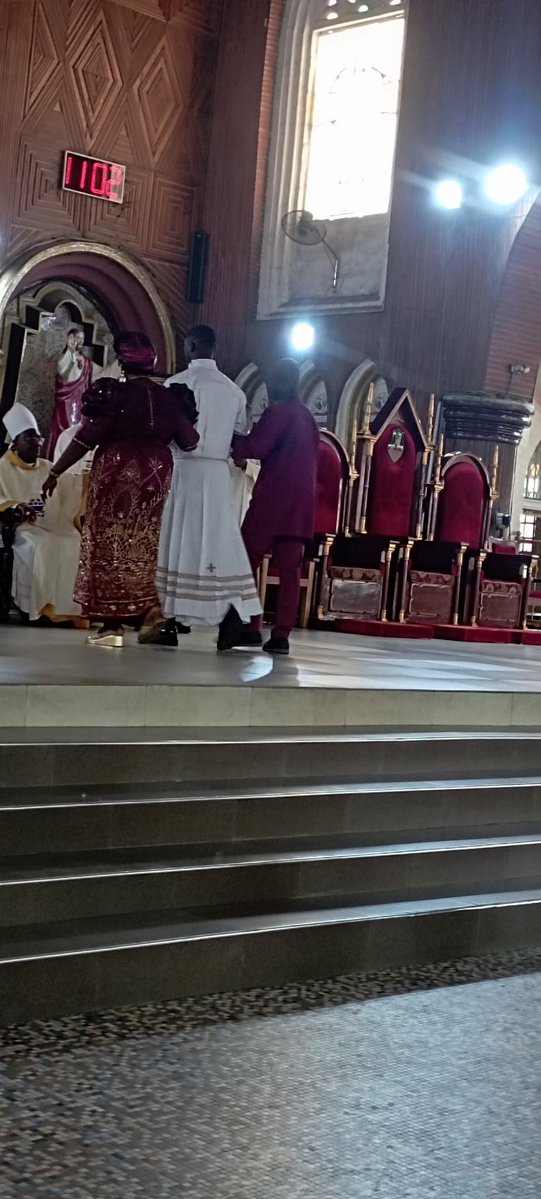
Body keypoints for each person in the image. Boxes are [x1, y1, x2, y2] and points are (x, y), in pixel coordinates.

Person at [42, 332, 199, 648]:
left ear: (124, 362)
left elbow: (87, 437)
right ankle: (150, 613)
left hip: (118, 471)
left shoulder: (116, 394)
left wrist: (56, 470)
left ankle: (112, 625)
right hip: (155, 475)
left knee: (110, 541)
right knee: (142, 543)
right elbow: (190, 442)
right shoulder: (170, 397)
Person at [151, 324, 261, 651]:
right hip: (216, 476)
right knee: (217, 544)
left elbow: (163, 434)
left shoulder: (174, 385)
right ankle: (230, 611)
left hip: (182, 472)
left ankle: (167, 621)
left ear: (191, 346)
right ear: (215, 349)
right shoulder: (234, 392)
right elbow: (239, 439)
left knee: (176, 541)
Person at [231, 358, 319, 656]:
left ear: (276, 382)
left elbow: (255, 448)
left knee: (245, 561)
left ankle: (251, 625)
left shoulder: (278, 412)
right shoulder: (307, 417)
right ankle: (281, 635)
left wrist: (231, 441)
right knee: (290, 570)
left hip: (272, 501)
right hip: (300, 505)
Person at [0, 403, 84, 624]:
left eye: (38, 438)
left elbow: (70, 488)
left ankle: (68, 610)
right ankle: (39, 608)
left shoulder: (48, 467)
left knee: (73, 542)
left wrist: (85, 482)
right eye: (29, 439)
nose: (37, 443)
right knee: (40, 545)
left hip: (54, 524)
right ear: (15, 443)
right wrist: (16, 505)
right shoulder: (2, 468)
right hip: (21, 528)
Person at [46, 328, 94, 458]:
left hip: (80, 403)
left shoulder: (87, 361)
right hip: (65, 402)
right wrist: (71, 357)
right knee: (63, 428)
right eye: (77, 338)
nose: (80, 341)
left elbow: (88, 382)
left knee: (77, 430)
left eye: (82, 339)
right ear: (70, 339)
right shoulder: (63, 358)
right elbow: (65, 376)